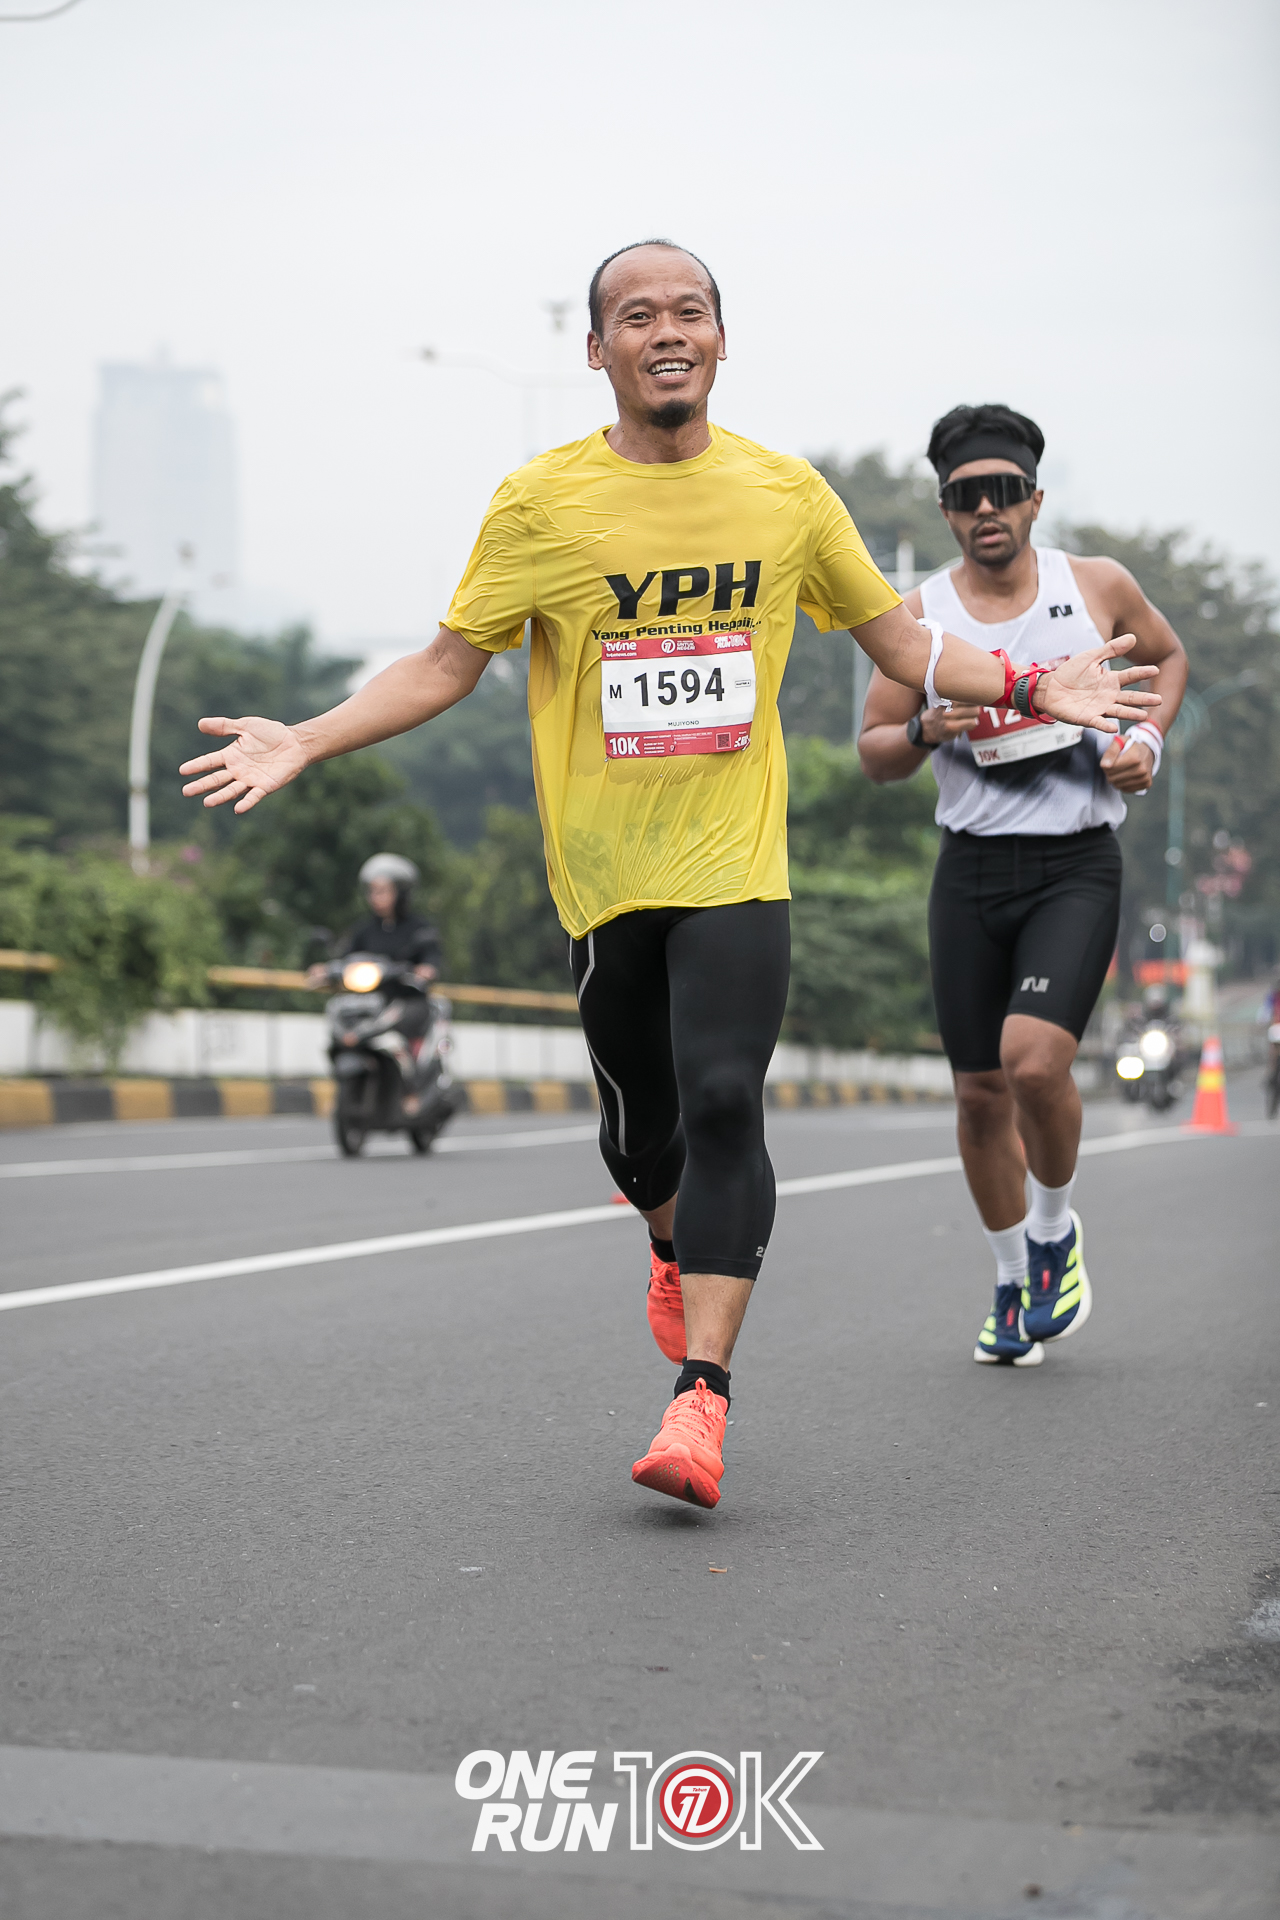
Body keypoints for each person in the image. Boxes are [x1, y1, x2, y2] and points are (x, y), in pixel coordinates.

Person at [181, 251, 1158, 1506]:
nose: (666, 332)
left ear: (720, 340)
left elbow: (903, 642)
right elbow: (444, 663)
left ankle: (701, 1398)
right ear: (597, 351)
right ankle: (662, 1236)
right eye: (635, 317)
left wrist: (1028, 683)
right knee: (644, 1139)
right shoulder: (540, 504)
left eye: (688, 312)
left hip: (734, 864)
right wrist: (307, 740)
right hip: (603, 878)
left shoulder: (783, 494)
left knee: (724, 1102)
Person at [859, 403, 1187, 1366]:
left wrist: (1146, 738)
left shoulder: (1097, 586)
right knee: (977, 1096)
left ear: (1035, 500)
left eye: (1003, 491)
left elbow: (1167, 659)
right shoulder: (919, 617)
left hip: (1074, 862)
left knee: (1033, 1064)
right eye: (966, 497)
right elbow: (873, 751)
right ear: (946, 511)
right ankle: (1010, 1282)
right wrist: (923, 731)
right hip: (969, 869)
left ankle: (1052, 1236)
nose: (986, 510)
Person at [309, 854, 442, 1113]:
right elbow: (346, 958)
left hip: (405, 999)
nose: (376, 897)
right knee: (340, 1016)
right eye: (372, 891)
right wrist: (326, 969)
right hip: (371, 1001)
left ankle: (412, 1088)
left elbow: (431, 958)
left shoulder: (419, 929)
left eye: (383, 891)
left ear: (400, 893)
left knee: (402, 1020)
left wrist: (426, 969)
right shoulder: (364, 930)